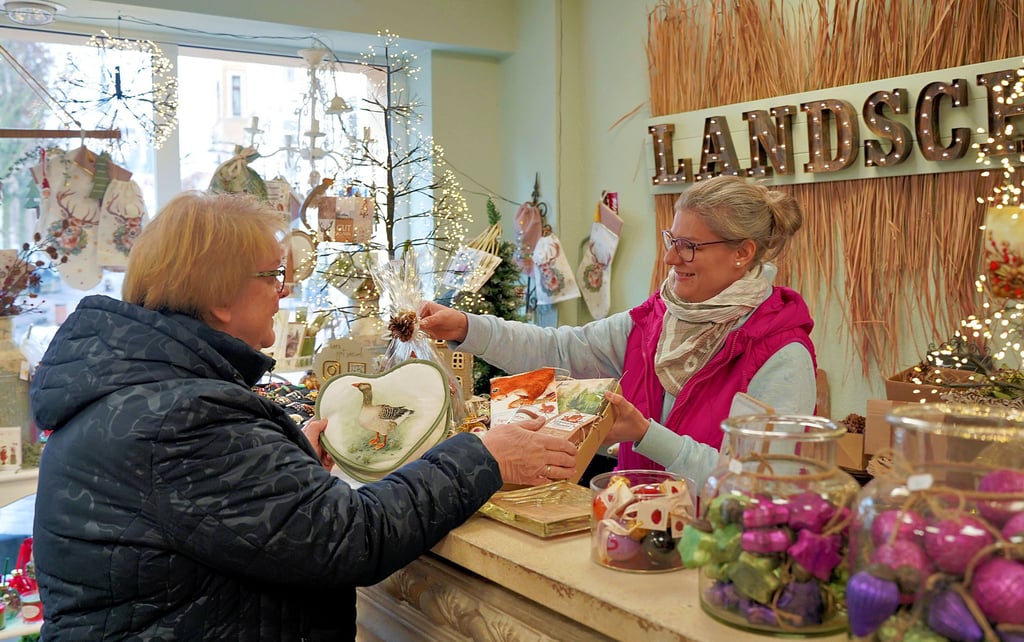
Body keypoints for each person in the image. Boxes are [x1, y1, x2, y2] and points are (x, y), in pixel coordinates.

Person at [29, 191, 578, 641]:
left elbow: (233, 526)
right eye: (272, 276)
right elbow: (349, 537)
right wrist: (484, 455)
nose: (283, 291)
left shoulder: (149, 391)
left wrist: (286, 471)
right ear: (221, 298)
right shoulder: (183, 417)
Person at [420, 175, 817, 490]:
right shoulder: (655, 320)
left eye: (689, 246)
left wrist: (646, 434)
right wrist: (467, 327)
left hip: (716, 556)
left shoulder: (781, 356)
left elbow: (760, 487)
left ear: (742, 253)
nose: (670, 257)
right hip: (635, 531)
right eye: (671, 240)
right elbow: (561, 350)